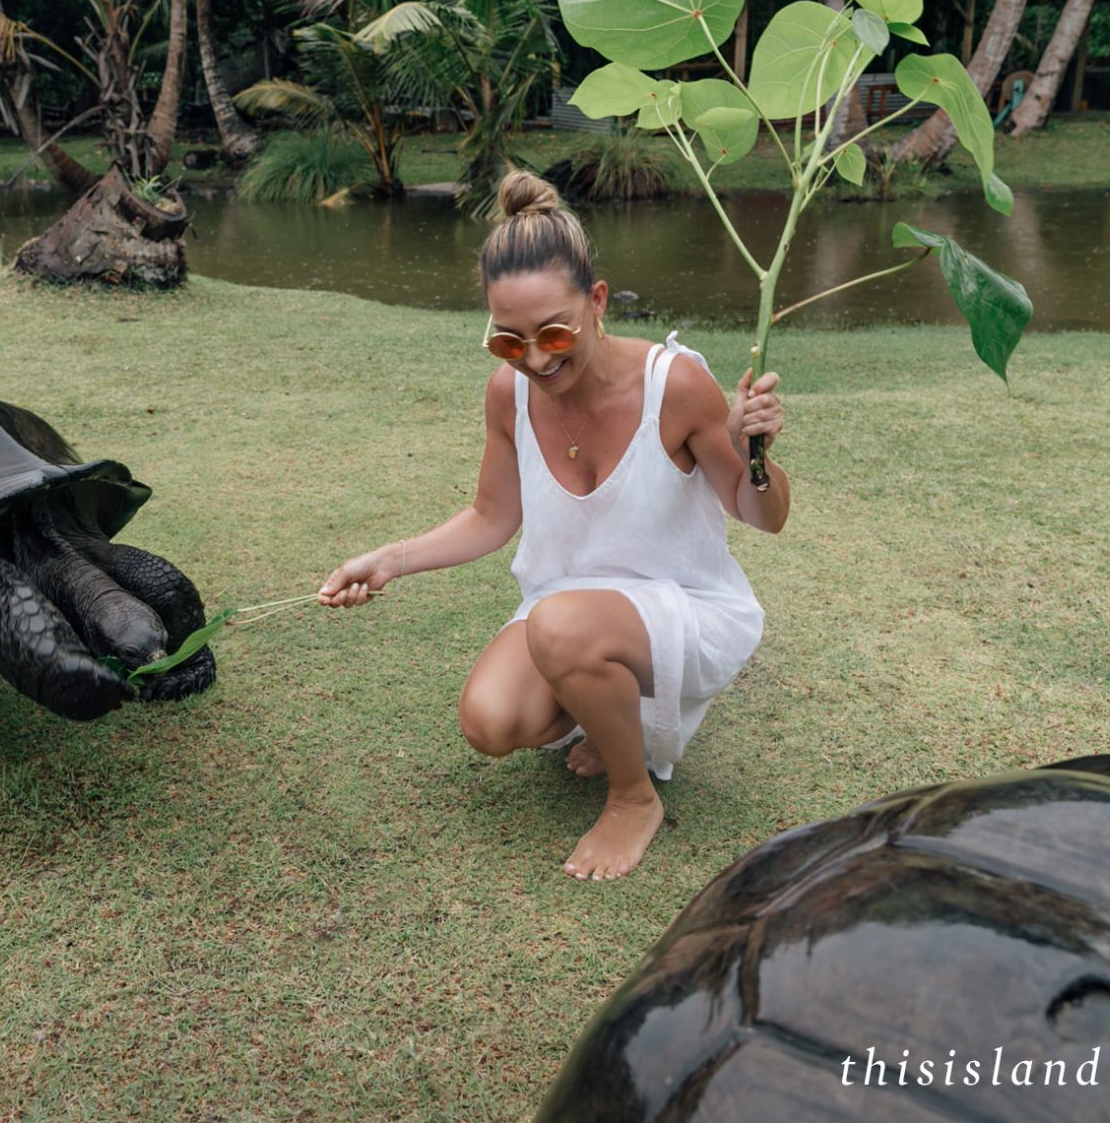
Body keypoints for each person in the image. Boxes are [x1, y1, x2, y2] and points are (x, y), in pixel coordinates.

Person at [319, 171, 789, 881]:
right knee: (490, 720)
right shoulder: (509, 393)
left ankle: (633, 798)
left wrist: (756, 455)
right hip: (568, 614)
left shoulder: (677, 385)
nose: (536, 360)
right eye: (509, 342)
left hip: (684, 608)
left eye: (554, 332)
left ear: (597, 302)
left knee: (559, 627)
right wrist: (389, 558)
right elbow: (490, 515)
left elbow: (764, 516)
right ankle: (608, 711)